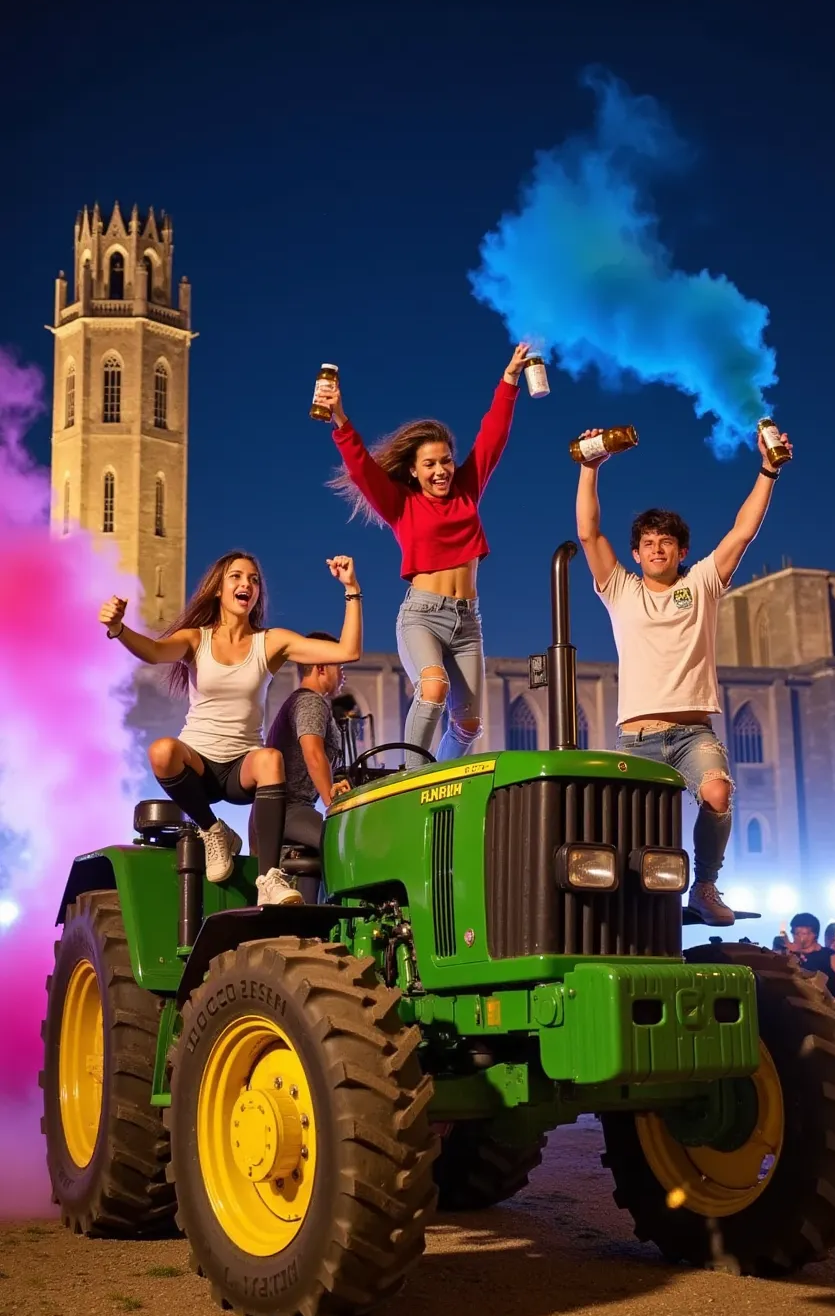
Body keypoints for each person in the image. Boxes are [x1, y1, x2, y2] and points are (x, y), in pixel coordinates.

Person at [576, 422, 792, 927]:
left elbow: (742, 531)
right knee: (621, 831)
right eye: (648, 543)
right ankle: (624, 903)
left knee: (717, 793)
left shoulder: (701, 585)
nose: (656, 549)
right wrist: (589, 469)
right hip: (637, 738)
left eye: (666, 542)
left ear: (680, 551)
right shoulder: (620, 589)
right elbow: (588, 532)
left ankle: (707, 885)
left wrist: (767, 470)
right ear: (636, 554)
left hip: (693, 732)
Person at [98, 551, 362, 906]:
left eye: (253, 580)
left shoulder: (269, 642)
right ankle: (213, 830)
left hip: (242, 768)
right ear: (218, 590)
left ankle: (269, 879)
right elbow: (154, 651)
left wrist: (351, 589)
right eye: (236, 577)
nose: (246, 585)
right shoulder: (197, 639)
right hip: (200, 765)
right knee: (162, 751)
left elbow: (348, 650)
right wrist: (118, 628)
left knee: (270, 758)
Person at [327, 344, 529, 761]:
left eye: (446, 461)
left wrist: (509, 381)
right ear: (414, 471)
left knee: (469, 724)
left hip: (468, 622)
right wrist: (340, 419)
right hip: (423, 616)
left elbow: (493, 437)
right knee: (433, 688)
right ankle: (412, 778)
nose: (441, 471)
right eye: (430, 465)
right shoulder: (401, 504)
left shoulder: (467, 491)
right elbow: (363, 468)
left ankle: (439, 777)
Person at [251, 631, 351, 865]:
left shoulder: (303, 701)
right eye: (340, 667)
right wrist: (331, 804)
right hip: (288, 812)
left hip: (286, 813)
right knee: (343, 842)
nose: (343, 675)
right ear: (321, 667)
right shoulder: (310, 702)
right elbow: (313, 754)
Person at [784, 912, 835, 996]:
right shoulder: (790, 955)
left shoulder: (830, 956)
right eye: (795, 933)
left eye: (803, 933)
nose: (797, 937)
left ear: (814, 934)